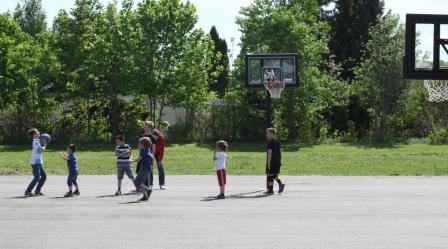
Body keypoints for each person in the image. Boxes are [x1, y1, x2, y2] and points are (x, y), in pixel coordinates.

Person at [24, 128, 47, 196]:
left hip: (39, 162)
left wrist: (43, 143)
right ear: (34, 135)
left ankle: (37, 191)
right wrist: (45, 145)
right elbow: (40, 150)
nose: (39, 132)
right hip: (35, 163)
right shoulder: (35, 142)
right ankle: (28, 191)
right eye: (37, 132)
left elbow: (40, 150)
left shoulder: (38, 141)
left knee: (44, 176)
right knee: (37, 178)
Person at [132, 137, 155, 201]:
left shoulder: (143, 151)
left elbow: (139, 159)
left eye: (139, 143)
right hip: (148, 168)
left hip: (144, 168)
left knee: (137, 182)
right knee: (141, 182)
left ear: (143, 144)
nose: (138, 145)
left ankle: (148, 190)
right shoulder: (148, 149)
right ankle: (145, 196)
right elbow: (152, 158)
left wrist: (131, 161)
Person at [136, 121, 157, 187]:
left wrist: (152, 157)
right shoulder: (141, 136)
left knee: (148, 171)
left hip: (148, 157)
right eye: (144, 126)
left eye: (146, 126)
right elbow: (139, 147)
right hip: (142, 155)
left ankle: (149, 184)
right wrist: (140, 154)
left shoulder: (153, 137)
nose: (144, 128)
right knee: (139, 170)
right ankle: (142, 185)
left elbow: (153, 149)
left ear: (150, 127)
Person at [265, 128, 285, 194]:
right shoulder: (277, 142)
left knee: (270, 174)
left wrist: (268, 163)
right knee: (273, 174)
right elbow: (280, 151)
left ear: (272, 134)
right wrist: (280, 160)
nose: (267, 135)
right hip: (277, 161)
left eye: (268, 134)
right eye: (267, 133)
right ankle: (271, 189)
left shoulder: (270, 142)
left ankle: (279, 184)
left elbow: (270, 153)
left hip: (272, 161)